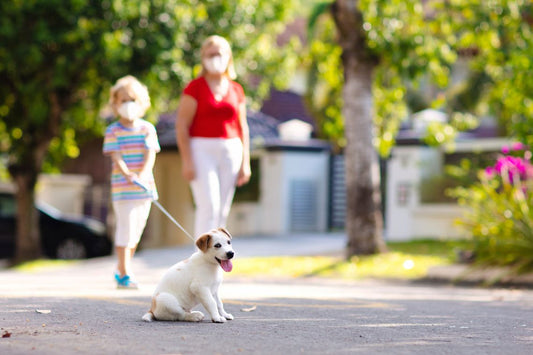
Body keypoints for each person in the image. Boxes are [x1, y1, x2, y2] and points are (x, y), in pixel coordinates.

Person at [176, 35, 251, 238]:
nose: (215, 58)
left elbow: (242, 126)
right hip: (201, 149)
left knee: (222, 210)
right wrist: (187, 161)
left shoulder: (236, 89)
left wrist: (246, 162)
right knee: (208, 205)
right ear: (203, 58)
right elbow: (182, 125)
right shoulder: (195, 87)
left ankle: (217, 258)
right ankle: (202, 257)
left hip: (231, 150)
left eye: (219, 54)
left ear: (228, 57)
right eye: (210, 54)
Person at [103, 75, 160, 289]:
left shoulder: (147, 129)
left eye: (132, 99)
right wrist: (127, 173)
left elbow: (150, 155)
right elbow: (116, 156)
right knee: (125, 229)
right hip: (122, 190)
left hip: (144, 190)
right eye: (123, 100)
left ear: (142, 103)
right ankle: (125, 273)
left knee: (135, 231)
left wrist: (143, 174)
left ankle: (121, 269)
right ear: (115, 104)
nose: (128, 104)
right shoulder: (112, 131)